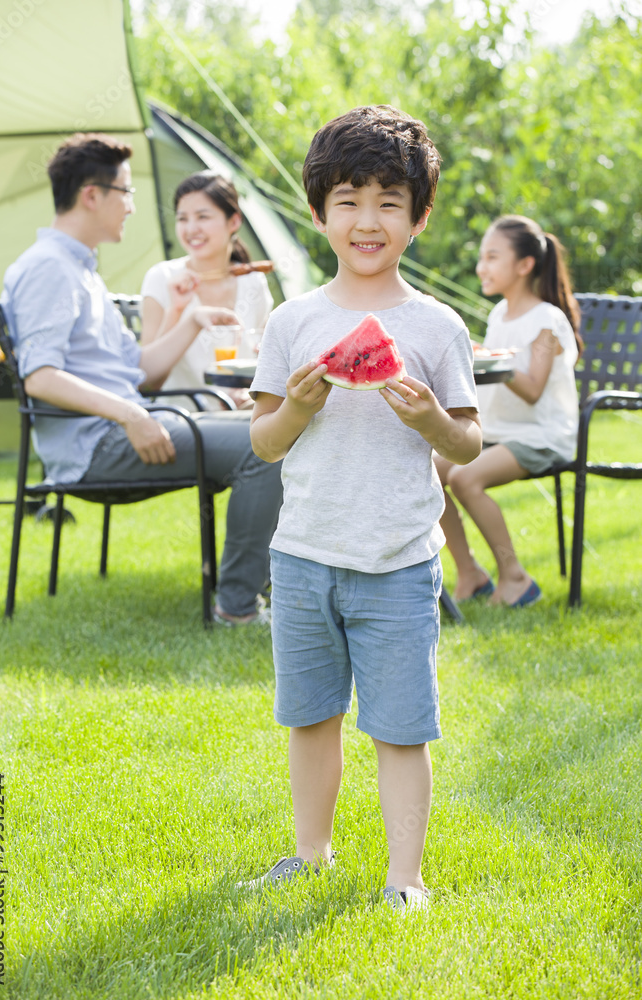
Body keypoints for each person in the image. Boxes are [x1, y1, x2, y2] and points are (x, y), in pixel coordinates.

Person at [246, 105, 481, 911]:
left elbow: (467, 447)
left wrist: (429, 421)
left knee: (399, 726)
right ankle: (309, 854)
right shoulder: (293, 320)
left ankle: (403, 877)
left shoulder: (437, 327)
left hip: (396, 561)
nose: (367, 218)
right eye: (348, 198)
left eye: (389, 199)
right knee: (309, 718)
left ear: (417, 217)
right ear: (318, 212)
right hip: (304, 554)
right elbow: (266, 442)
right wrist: (300, 408)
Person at [0, 132, 282, 626]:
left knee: (275, 431)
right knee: (261, 448)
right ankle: (238, 607)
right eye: (126, 193)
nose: (131, 207)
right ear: (93, 195)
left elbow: (140, 371)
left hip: (124, 424)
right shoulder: (50, 269)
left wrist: (190, 319)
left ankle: (275, 583)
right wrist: (131, 413)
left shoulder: (81, 270)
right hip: (96, 446)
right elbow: (39, 378)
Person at [434, 214, 581, 608]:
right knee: (428, 469)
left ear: (524, 265)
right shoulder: (500, 314)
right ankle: (470, 573)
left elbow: (532, 388)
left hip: (542, 435)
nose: (482, 266)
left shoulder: (547, 321)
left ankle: (515, 577)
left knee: (465, 479)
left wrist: (494, 363)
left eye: (492, 257)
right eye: (482, 257)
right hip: (501, 431)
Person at [140, 171, 273, 407]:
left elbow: (261, 357)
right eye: (182, 219)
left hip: (242, 412)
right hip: (183, 416)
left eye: (202, 217)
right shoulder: (162, 278)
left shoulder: (252, 282)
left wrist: (249, 393)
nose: (191, 229)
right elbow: (146, 381)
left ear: (233, 221)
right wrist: (176, 311)